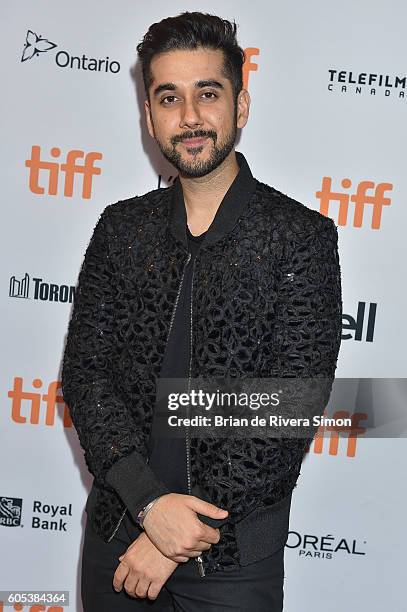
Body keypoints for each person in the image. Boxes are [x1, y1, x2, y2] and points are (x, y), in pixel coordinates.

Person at [61, 10, 342, 611]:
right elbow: (88, 377)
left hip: (233, 559)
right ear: (149, 116)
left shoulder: (300, 237)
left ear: (240, 106)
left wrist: (174, 540)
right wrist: (147, 506)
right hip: (119, 540)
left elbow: (288, 406)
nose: (189, 117)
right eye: (169, 98)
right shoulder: (120, 230)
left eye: (207, 94)